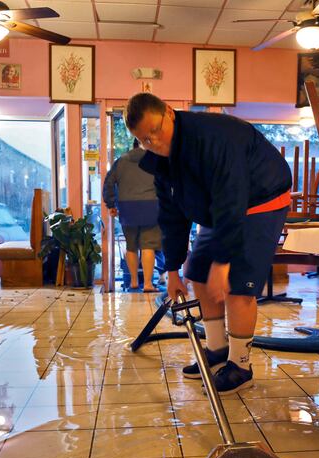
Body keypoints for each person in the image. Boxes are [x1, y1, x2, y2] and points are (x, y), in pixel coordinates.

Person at [127, 93, 292, 394]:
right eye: (144, 140)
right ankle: (217, 349)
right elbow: (172, 216)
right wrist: (173, 270)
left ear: (169, 112)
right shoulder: (162, 164)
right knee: (198, 272)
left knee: (237, 285)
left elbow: (233, 195)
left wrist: (224, 260)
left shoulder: (214, 137)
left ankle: (241, 366)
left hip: (260, 199)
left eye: (156, 131)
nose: (154, 143)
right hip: (220, 210)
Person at [103, 138, 162, 292]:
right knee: (148, 245)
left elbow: (108, 183)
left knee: (131, 246)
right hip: (151, 207)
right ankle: (148, 284)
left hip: (127, 208)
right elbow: (166, 183)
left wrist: (111, 204)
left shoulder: (121, 161)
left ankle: (134, 282)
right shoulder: (155, 160)